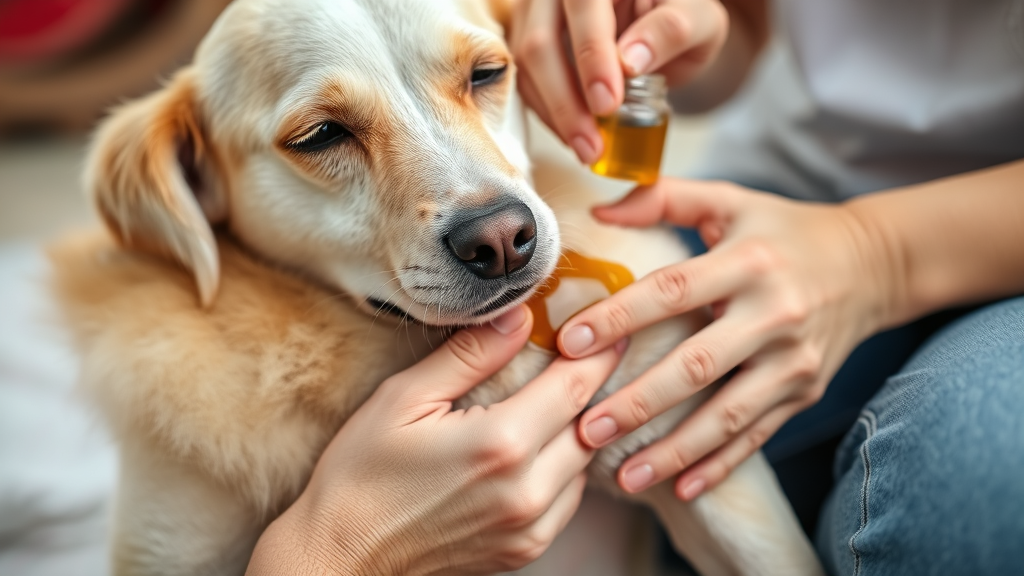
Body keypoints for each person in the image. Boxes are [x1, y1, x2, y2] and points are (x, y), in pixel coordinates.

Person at [248, 1, 1024, 574]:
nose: (490, 227)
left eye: (483, 76)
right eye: (325, 135)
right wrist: (676, 35)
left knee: (970, 497)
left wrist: (876, 254)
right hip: (771, 198)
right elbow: (744, 36)